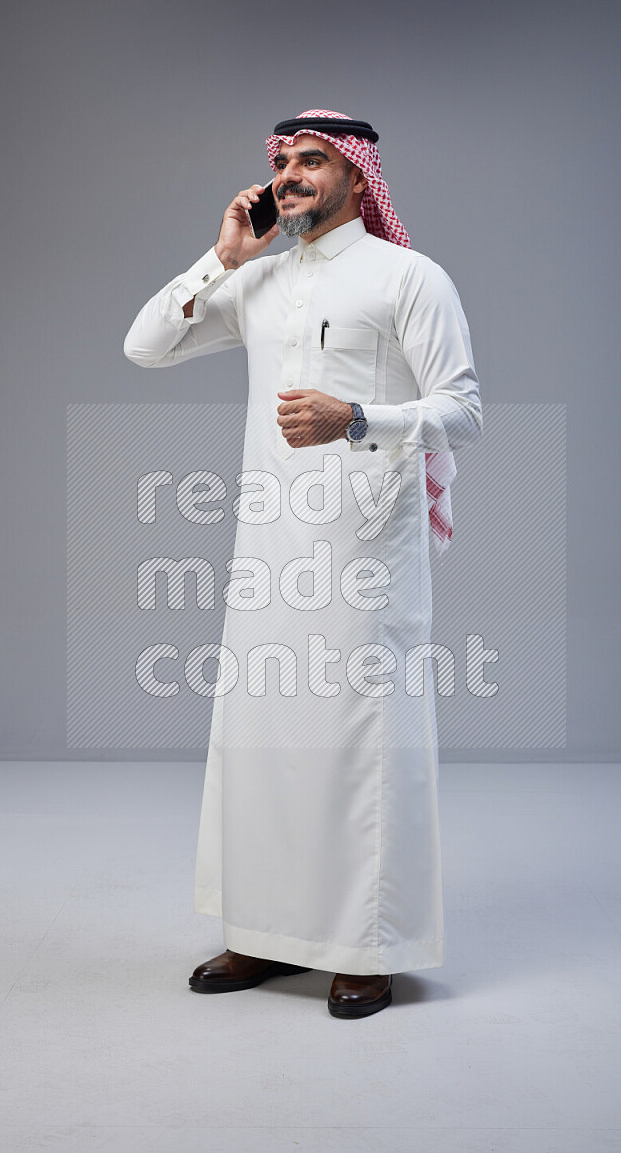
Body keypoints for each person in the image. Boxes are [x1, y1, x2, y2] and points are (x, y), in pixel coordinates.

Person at [123, 109, 482, 1018]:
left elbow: (464, 410)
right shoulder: (258, 283)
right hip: (267, 553)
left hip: (366, 553)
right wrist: (223, 259)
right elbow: (145, 346)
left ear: (359, 178)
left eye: (312, 161)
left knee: (360, 745)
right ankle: (261, 934)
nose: (290, 177)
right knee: (263, 743)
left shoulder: (410, 276)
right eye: (282, 162)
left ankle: (366, 945)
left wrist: (358, 418)